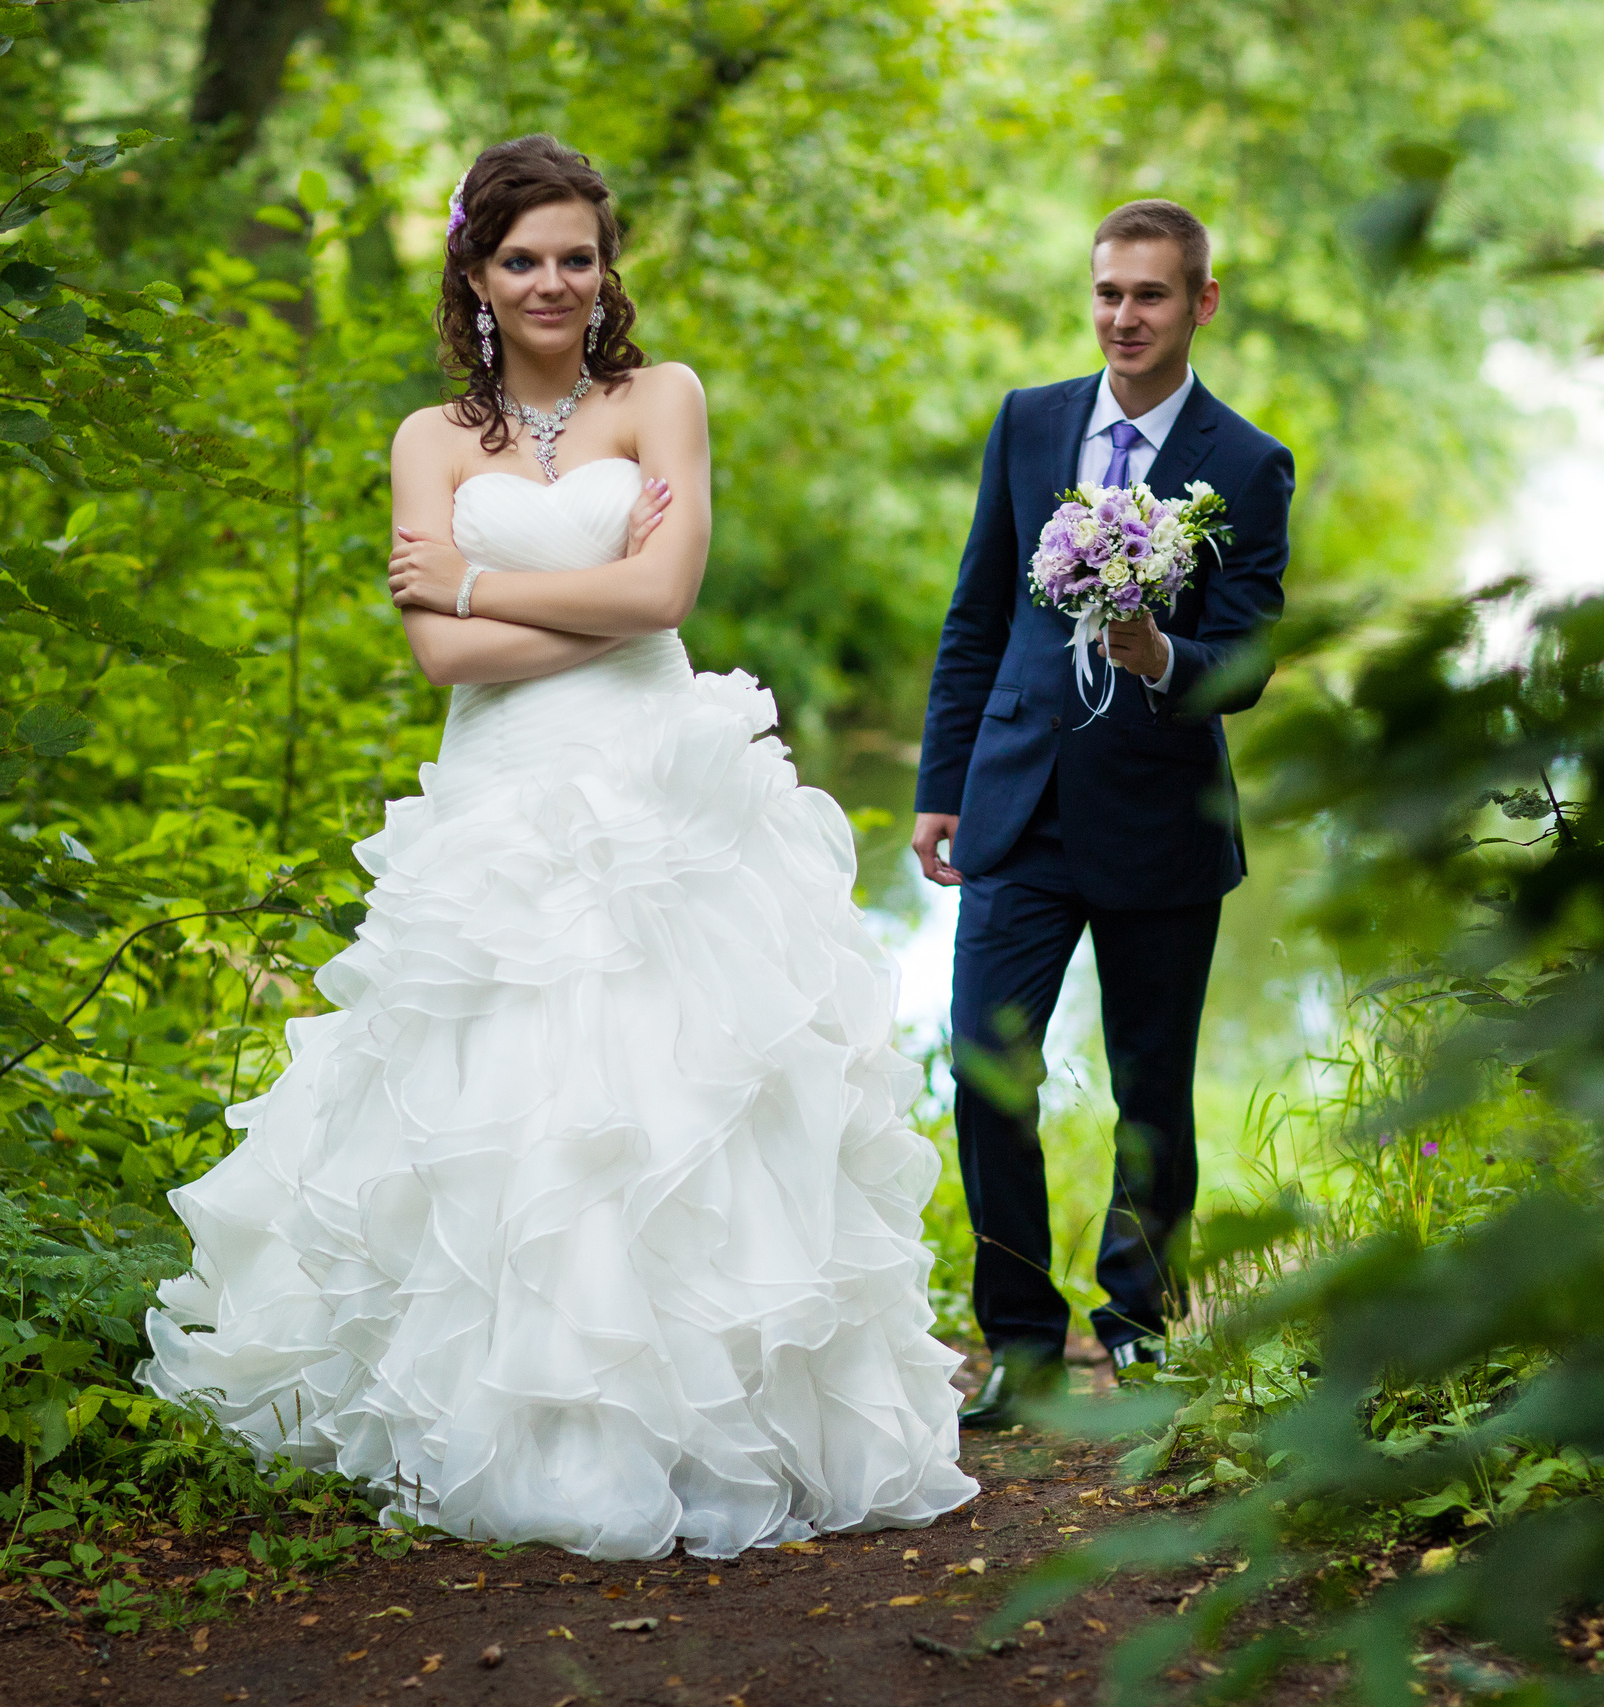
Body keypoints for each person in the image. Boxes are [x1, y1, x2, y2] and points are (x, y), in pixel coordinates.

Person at [140, 134, 977, 1559]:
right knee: (503, 1103)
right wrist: (570, 596)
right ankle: (513, 1427)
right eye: (521, 257)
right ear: (474, 272)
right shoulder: (428, 438)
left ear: (607, 269)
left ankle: (699, 1428)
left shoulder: (664, 398)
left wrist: (479, 578)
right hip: (501, 800)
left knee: (675, 1094)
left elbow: (665, 597)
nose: (551, 280)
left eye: (576, 255)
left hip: (662, 785)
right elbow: (438, 660)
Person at [913, 200, 1295, 1428]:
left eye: (1150, 295)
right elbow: (977, 615)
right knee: (988, 1072)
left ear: (1201, 303)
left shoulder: (1245, 464)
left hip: (1158, 816)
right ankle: (1020, 1342)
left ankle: (1138, 1328)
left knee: (1149, 1091)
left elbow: (1243, 659)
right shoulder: (1030, 425)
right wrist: (938, 787)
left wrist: (1157, 654)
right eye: (1107, 294)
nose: (1123, 317)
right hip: (1016, 803)